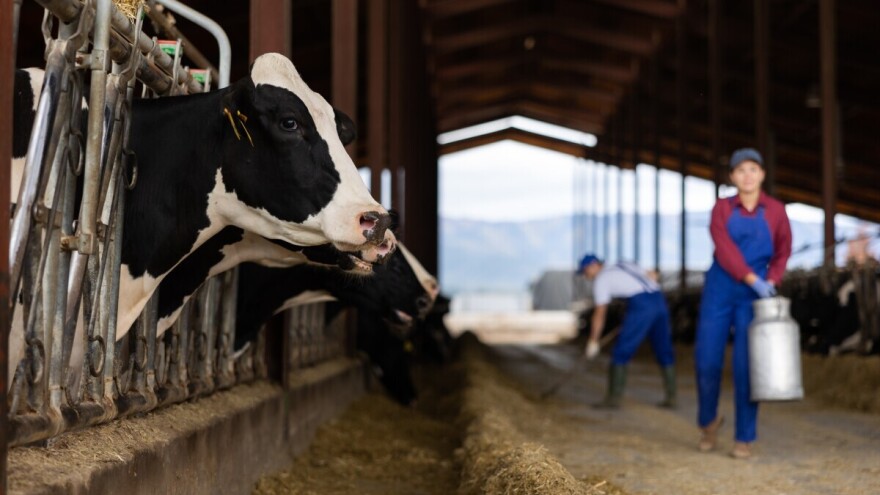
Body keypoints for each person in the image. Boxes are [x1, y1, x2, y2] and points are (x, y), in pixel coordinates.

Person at [694, 147, 792, 460]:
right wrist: (752, 278)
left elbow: (783, 250)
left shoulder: (776, 210)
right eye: (740, 170)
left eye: (753, 169)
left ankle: (744, 437)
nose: (747, 175)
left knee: (748, 367)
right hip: (721, 288)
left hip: (756, 297)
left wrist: (773, 279)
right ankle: (709, 422)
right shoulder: (721, 208)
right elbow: (724, 249)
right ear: (733, 176)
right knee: (706, 360)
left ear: (762, 174)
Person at [579, 254, 676, 409]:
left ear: (592, 266)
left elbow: (600, 313)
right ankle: (672, 398)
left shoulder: (601, 280)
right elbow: (652, 275)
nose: (586, 276)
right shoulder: (623, 264)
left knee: (620, 352)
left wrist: (593, 341)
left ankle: (613, 400)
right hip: (659, 300)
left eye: (585, 272)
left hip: (641, 305)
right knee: (664, 349)